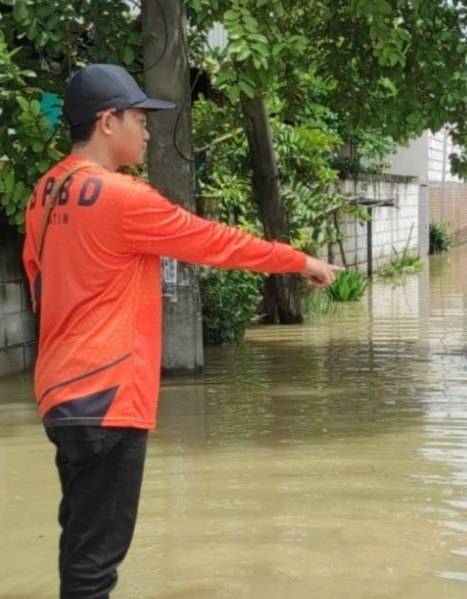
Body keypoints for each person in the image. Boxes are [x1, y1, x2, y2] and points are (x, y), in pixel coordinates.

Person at [21, 63, 341, 599]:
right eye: (139, 118)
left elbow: (36, 276)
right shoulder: (124, 199)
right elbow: (214, 242)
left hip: (59, 393)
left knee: (81, 543)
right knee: (97, 561)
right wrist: (298, 260)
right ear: (107, 121)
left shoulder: (45, 193)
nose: (147, 131)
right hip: (108, 394)